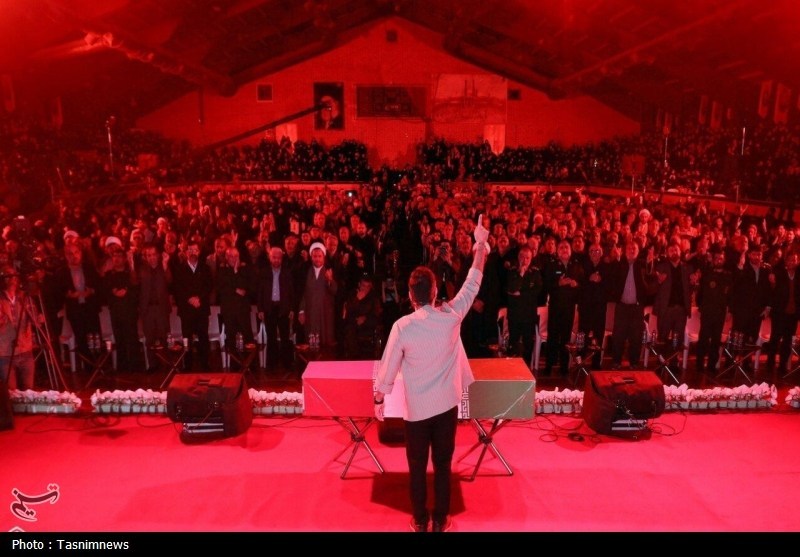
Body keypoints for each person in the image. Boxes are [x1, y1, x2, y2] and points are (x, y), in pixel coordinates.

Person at [374, 214, 489, 533]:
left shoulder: (402, 327)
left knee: (416, 467)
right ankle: (440, 519)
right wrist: (480, 244)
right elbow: (473, 282)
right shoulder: (451, 316)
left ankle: (420, 520)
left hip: (416, 412)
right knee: (442, 464)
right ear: (436, 291)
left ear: (411, 296)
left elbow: (387, 370)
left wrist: (379, 398)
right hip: (446, 408)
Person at [0, 267, 35, 390]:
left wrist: (37, 318)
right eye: (8, 276)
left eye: (14, 276)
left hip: (25, 350)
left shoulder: (24, 297)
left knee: (28, 391)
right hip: (5, 353)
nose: (12, 279)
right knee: (11, 392)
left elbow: (35, 319)